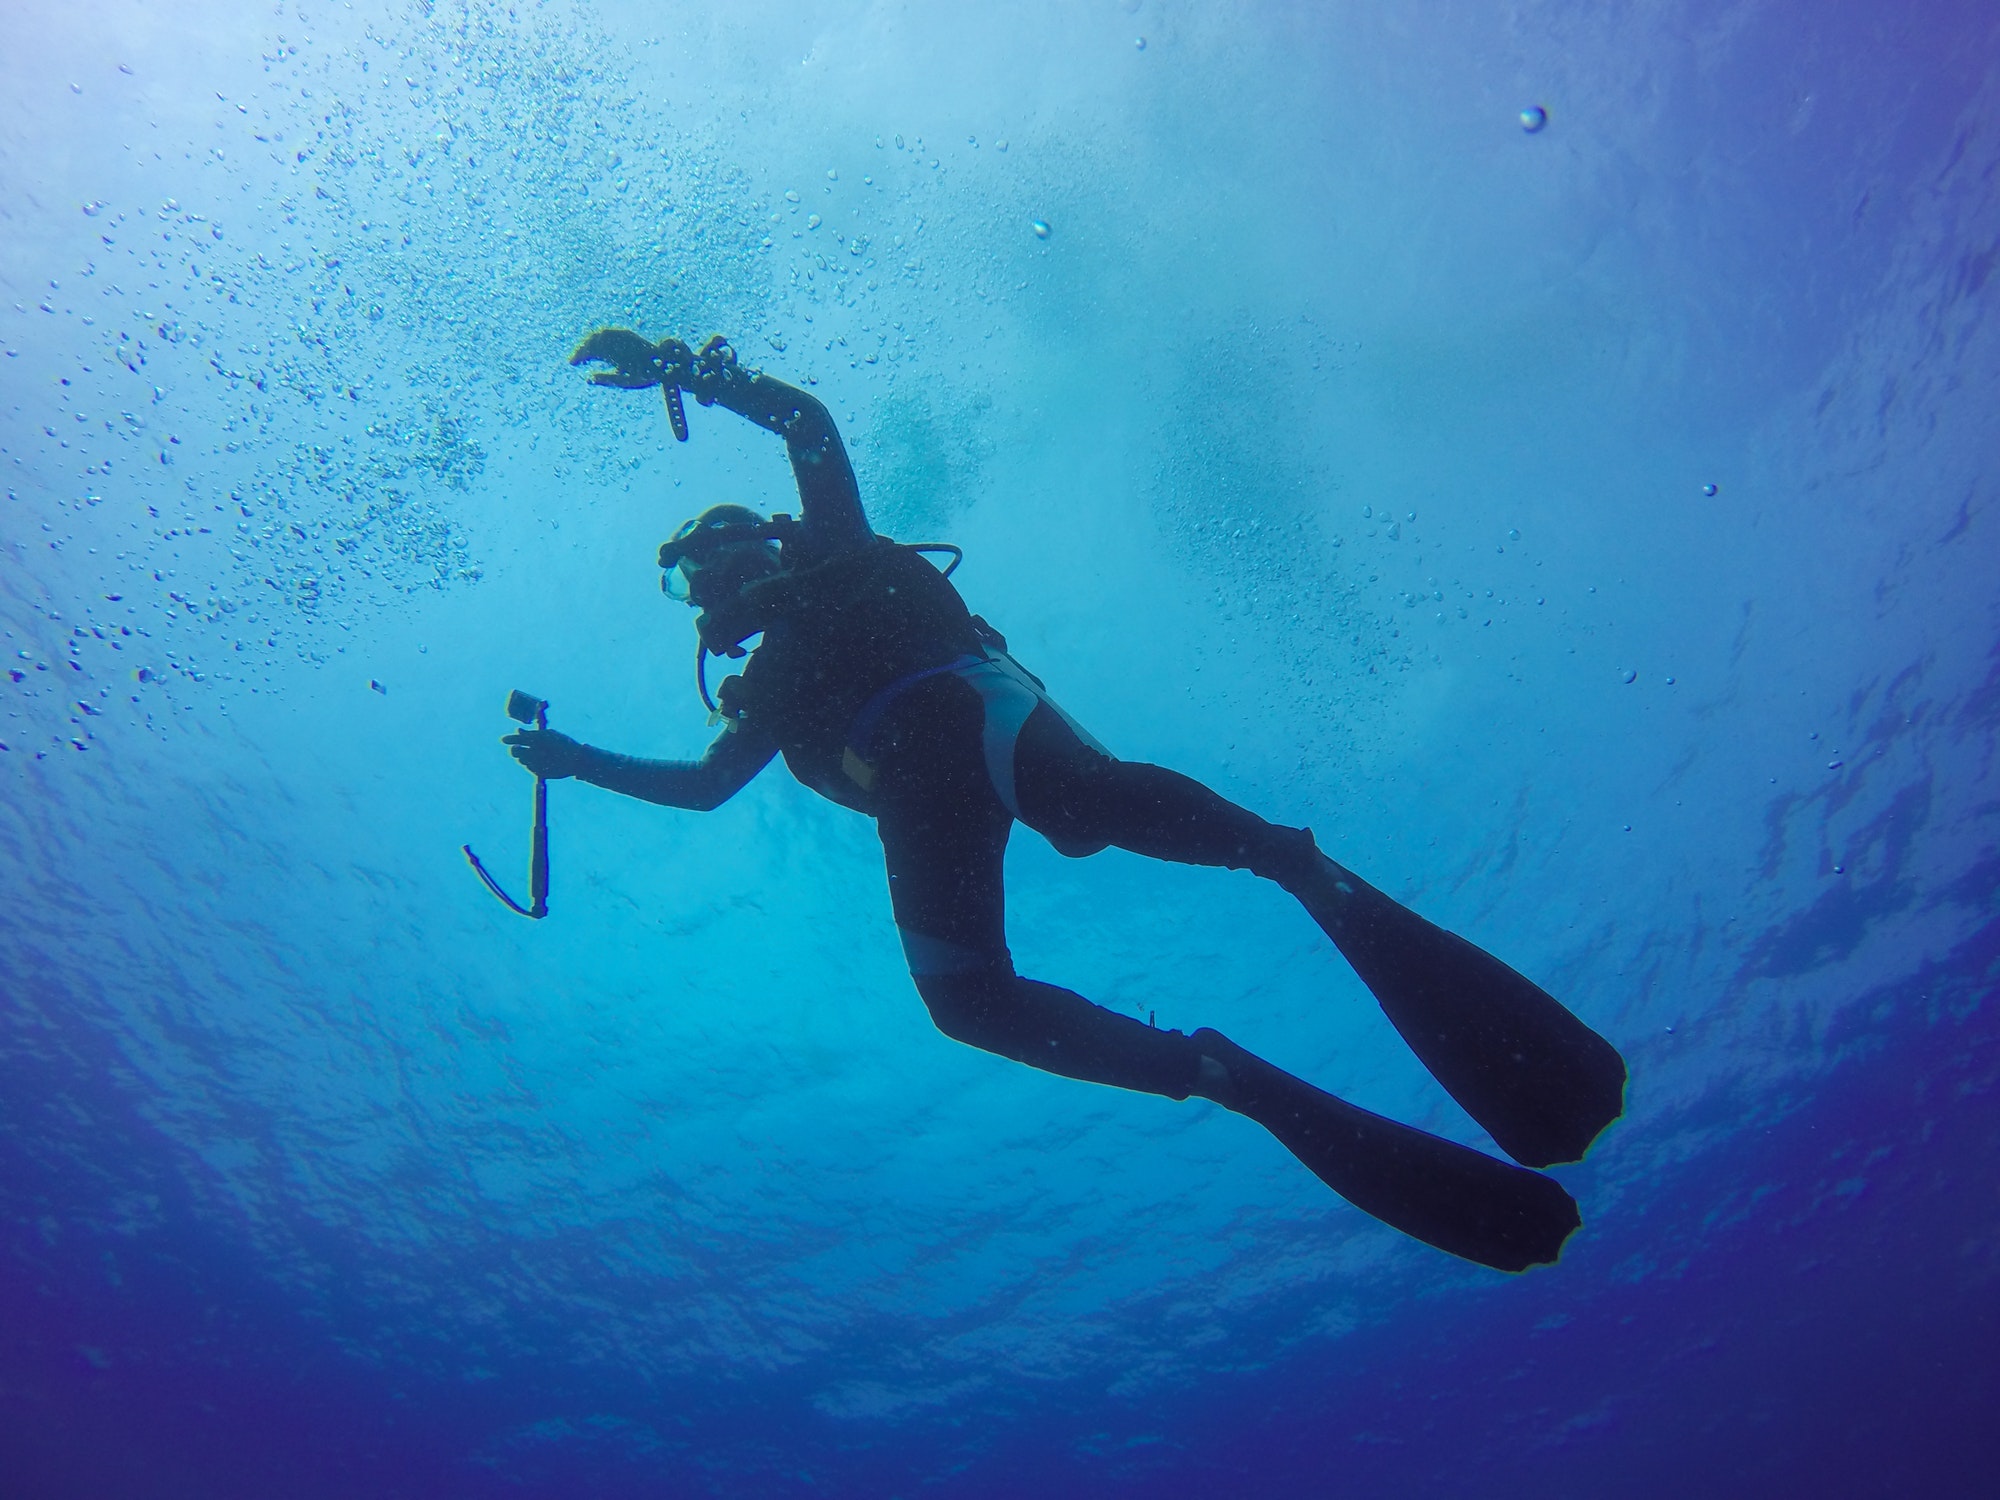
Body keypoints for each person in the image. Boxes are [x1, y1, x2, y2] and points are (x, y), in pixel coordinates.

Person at [503, 329, 1628, 1273]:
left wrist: (687, 372)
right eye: (687, 580)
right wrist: (575, 761)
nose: (708, 582)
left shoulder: (835, 559)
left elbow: (806, 423)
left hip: (964, 717)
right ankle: (1215, 1068)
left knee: (1086, 807)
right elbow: (704, 790)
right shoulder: (765, 693)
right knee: (967, 1001)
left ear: (763, 542)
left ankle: (1288, 864)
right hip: (920, 795)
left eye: (714, 553)